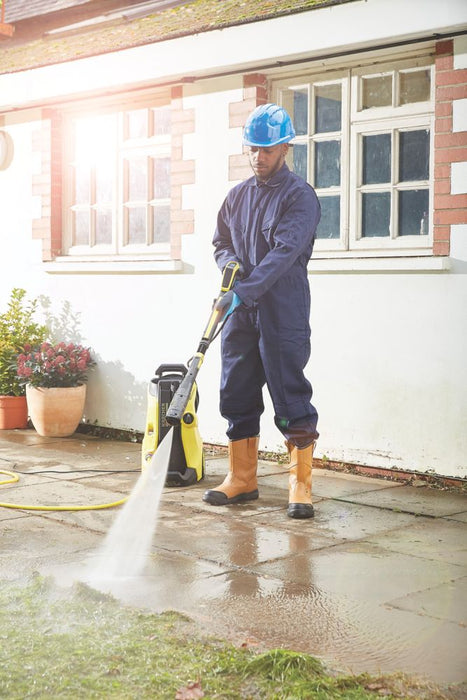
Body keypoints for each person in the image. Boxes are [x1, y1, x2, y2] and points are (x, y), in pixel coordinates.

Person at [203, 103, 321, 519]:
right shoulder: (236, 197)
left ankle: (300, 485)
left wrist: (244, 291)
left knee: (289, 394)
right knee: (236, 390)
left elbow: (284, 254)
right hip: (240, 314)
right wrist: (228, 265)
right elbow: (220, 243)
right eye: (253, 149)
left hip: (281, 311)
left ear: (285, 147)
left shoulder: (299, 197)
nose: (259, 157)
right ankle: (242, 479)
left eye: (268, 149)